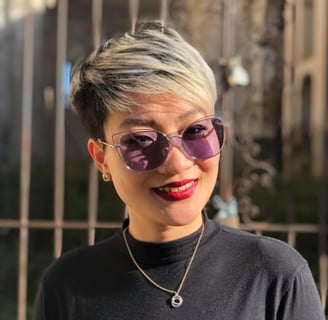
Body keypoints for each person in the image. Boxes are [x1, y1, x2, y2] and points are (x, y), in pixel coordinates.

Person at [34, 21, 325, 320]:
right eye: (141, 140)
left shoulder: (276, 276)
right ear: (101, 158)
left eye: (196, 130)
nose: (177, 162)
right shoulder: (68, 287)